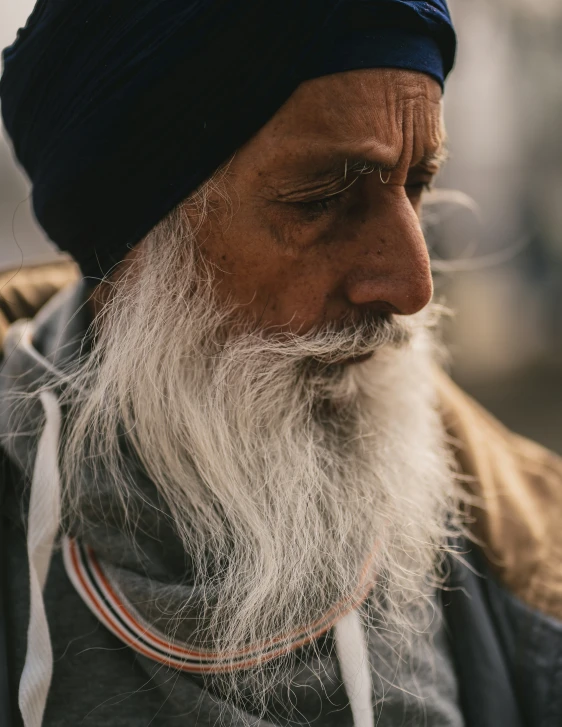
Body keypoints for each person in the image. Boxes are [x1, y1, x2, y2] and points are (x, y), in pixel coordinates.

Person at [0, 2, 560, 726]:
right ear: (134, 244)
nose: (413, 285)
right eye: (323, 198)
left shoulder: (526, 559)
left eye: (415, 184)